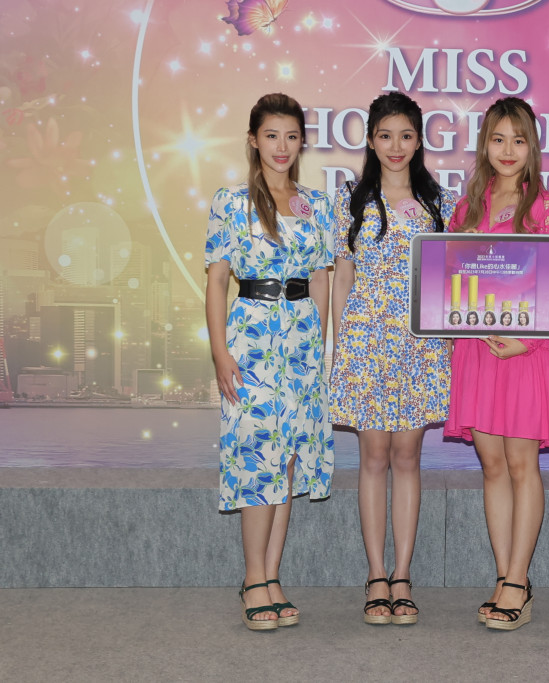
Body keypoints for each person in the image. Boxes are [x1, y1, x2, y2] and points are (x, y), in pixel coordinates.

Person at [205, 93, 334, 631]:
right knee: (258, 458)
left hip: (302, 342)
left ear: (302, 141)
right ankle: (253, 578)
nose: (282, 146)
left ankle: (272, 577)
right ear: (254, 140)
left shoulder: (317, 204)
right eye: (272, 135)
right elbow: (217, 280)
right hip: (251, 339)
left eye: (292, 136)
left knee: (287, 462)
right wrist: (220, 352)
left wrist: (319, 350)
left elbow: (321, 278)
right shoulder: (231, 202)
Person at [330, 92, 457, 626]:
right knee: (373, 459)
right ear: (371, 140)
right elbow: (342, 278)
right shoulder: (350, 200)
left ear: (419, 139)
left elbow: (453, 279)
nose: (396, 146)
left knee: (407, 458)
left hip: (420, 346)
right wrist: (343, 348)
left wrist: (447, 341)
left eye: (406, 135)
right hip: (365, 344)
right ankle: (376, 574)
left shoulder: (441, 203)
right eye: (385, 135)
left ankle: (403, 576)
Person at [444, 96, 549, 631]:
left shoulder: (545, 207)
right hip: (477, 353)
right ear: (485, 145)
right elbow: (446, 287)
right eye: (498, 139)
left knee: (521, 465)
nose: (508, 149)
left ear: (531, 146)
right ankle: (502, 576)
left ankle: (519, 579)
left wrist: (530, 344)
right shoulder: (466, 208)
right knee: (492, 466)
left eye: (518, 139)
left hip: (523, 354)